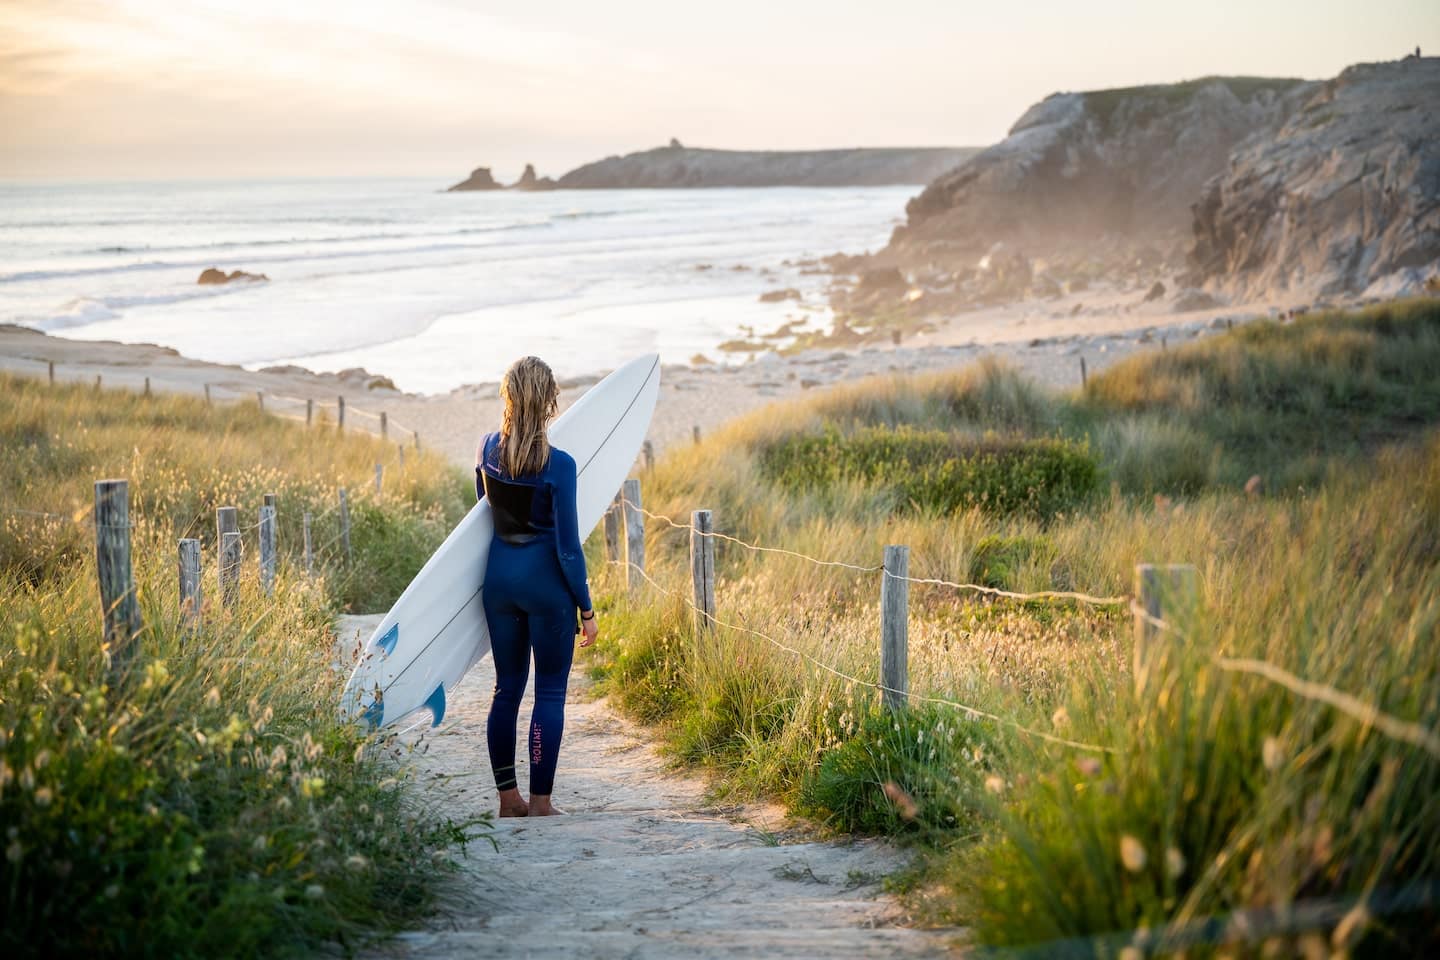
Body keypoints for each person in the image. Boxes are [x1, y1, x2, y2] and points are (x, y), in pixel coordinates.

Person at [476, 356, 597, 817]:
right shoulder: (560, 466)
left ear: (507, 398)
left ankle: (509, 801)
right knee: (549, 692)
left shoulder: (487, 449)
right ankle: (542, 802)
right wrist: (586, 609)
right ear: (549, 402)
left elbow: (483, 517)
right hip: (547, 591)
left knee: (506, 690)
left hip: (499, 583)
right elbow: (568, 549)